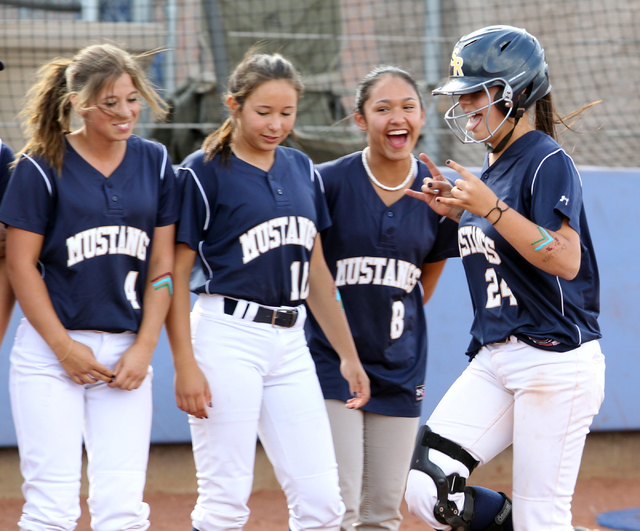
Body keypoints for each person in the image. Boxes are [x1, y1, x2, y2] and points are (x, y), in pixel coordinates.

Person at [403, 25, 604, 531]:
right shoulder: (492, 168)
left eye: (478, 92)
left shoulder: (544, 158)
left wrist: (488, 208)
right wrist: (457, 212)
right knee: (427, 488)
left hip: (554, 361)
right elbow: (504, 242)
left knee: (544, 518)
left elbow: (563, 259)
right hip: (497, 356)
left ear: (516, 93)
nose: (467, 104)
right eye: (463, 94)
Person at [165, 52, 370, 531]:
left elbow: (316, 270)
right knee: (224, 502)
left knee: (323, 502)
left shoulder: (301, 168)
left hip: (291, 342)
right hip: (226, 335)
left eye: (287, 112)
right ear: (233, 105)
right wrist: (184, 364)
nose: (276, 123)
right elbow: (174, 276)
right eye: (264, 112)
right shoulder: (202, 170)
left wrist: (347, 353)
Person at [1, 43, 178, 531]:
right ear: (79, 103)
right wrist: (63, 348)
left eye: (132, 99)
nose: (125, 112)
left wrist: (145, 347)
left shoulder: (156, 161)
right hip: (49, 353)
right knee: (51, 508)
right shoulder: (40, 164)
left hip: (125, 353)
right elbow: (20, 266)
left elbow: (162, 263)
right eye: (110, 103)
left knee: (122, 508)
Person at [305, 66, 459, 531]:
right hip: (332, 363)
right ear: (359, 119)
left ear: (422, 115)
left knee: (383, 512)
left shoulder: (437, 195)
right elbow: (311, 277)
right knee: (341, 505)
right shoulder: (328, 182)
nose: (398, 117)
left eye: (408, 107)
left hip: (400, 366)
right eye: (383, 108)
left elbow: (422, 285)